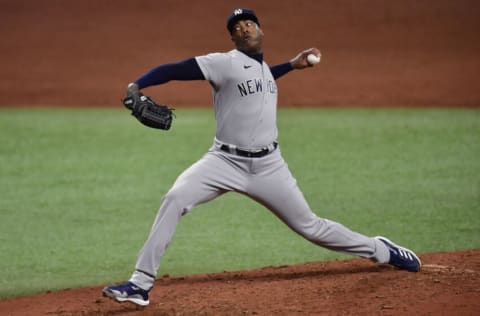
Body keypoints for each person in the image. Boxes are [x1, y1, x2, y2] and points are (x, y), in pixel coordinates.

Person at [103, 8, 421, 307]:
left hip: (270, 167)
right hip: (222, 162)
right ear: (233, 38)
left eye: (249, 23)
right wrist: (138, 83)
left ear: (260, 30)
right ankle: (140, 284)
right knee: (174, 198)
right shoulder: (223, 63)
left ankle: (382, 250)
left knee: (312, 228)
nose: (244, 28)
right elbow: (175, 69)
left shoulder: (262, 69)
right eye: (237, 27)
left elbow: (261, 79)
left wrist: (290, 66)